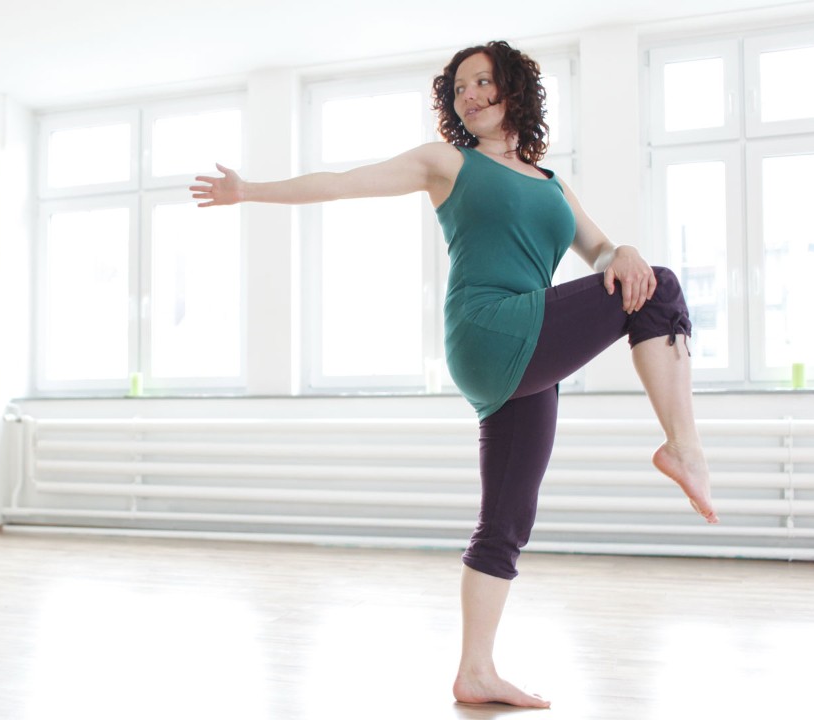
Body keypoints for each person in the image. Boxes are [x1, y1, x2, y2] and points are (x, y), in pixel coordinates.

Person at [190, 40, 717, 709]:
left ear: (514, 90)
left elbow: (603, 253)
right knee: (662, 290)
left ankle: (476, 671)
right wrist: (249, 192)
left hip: (525, 350)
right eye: (459, 88)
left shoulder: (552, 184)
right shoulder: (449, 163)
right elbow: (342, 181)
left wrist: (627, 248)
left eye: (482, 83)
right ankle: (684, 448)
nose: (469, 96)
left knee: (505, 520)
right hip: (491, 326)